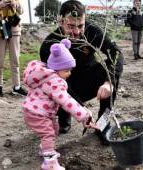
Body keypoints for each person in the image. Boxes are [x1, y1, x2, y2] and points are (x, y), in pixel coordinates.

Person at [39, 0, 124, 145]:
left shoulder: (92, 31)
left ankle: (103, 124)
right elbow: (54, 82)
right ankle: (64, 114)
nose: (77, 32)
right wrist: (79, 109)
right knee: (54, 84)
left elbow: (115, 53)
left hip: (88, 78)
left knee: (110, 74)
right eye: (71, 26)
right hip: (64, 85)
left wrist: (109, 83)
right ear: (61, 21)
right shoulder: (49, 45)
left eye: (80, 26)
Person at [23, 39, 98, 170]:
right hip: (38, 114)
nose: (70, 73)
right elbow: (66, 101)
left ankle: (45, 148)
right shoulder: (54, 82)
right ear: (57, 68)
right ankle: (49, 163)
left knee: (54, 128)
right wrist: (84, 115)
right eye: (67, 70)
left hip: (37, 112)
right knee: (48, 134)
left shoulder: (46, 75)